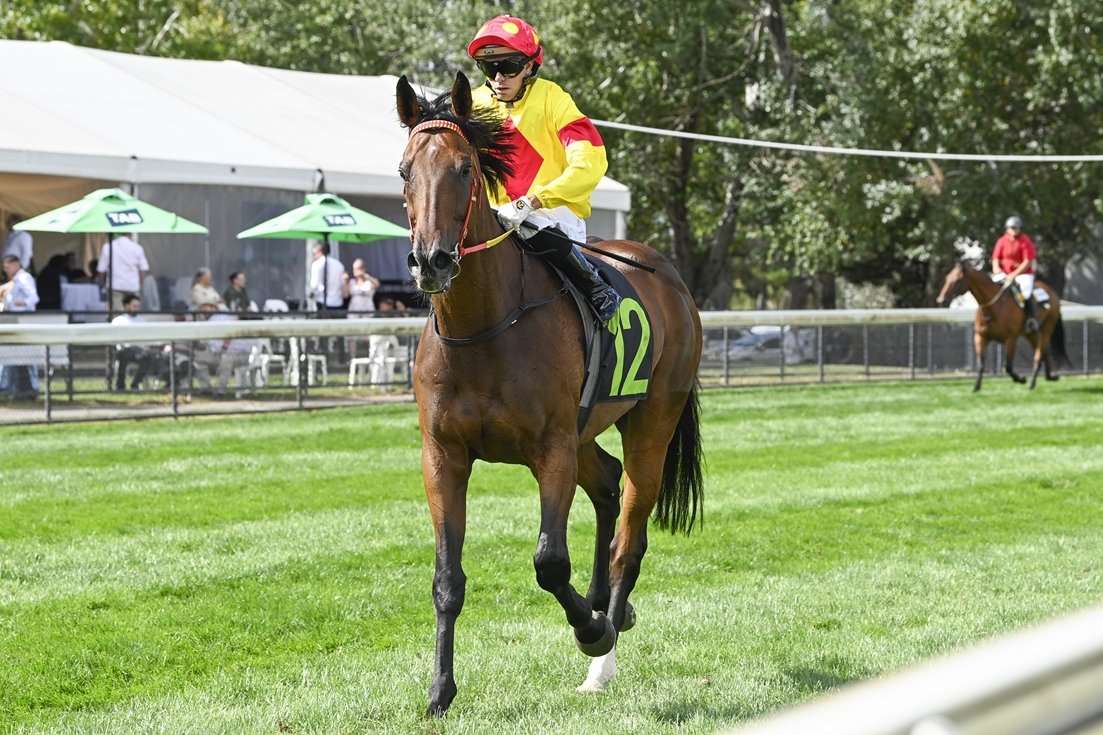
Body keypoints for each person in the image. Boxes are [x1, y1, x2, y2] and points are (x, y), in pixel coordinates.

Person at [467, 14, 620, 324]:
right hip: (495, 215)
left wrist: (532, 201)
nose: (499, 77)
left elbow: (591, 161)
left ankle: (596, 287)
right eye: (489, 67)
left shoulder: (553, 99)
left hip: (552, 212)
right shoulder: (474, 104)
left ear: (529, 66)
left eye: (508, 67)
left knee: (528, 223)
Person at [0, 255, 40, 398]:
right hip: (15, 320)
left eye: (8, 267)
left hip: (24, 320)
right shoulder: (15, 280)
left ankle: (29, 386)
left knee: (25, 356)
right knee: (11, 354)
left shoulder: (24, 278)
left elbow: (34, 298)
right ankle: (8, 386)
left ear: (16, 264)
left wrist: (19, 303)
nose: (6, 271)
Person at [192, 302, 253, 397]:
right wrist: (195, 343)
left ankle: (221, 391)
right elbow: (207, 344)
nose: (204, 309)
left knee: (226, 359)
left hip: (240, 354)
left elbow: (229, 332)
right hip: (218, 354)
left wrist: (224, 348)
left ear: (214, 307)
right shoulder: (207, 322)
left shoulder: (220, 317)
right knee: (199, 358)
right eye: (202, 307)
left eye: (207, 306)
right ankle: (206, 388)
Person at [992, 215, 1039, 332]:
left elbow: (1027, 262)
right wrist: (996, 269)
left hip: (1023, 275)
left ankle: (1030, 319)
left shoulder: (1025, 241)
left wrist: (1014, 274)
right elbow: (995, 259)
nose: (1014, 230)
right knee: (991, 288)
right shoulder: (1002, 241)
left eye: (1016, 228)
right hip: (1004, 274)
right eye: (1012, 228)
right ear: (1007, 228)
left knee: (1026, 292)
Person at [110, 294, 157, 391]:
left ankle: (135, 384)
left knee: (147, 357)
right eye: (134, 306)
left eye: (138, 306)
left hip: (139, 350)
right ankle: (120, 386)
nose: (136, 309)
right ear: (126, 306)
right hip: (124, 350)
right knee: (122, 357)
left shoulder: (142, 320)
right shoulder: (118, 320)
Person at [97, 234, 150, 312]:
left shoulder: (108, 247)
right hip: (132, 286)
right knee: (133, 313)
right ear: (130, 235)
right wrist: (140, 284)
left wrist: (102, 284)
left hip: (115, 286)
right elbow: (143, 269)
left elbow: (101, 269)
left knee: (117, 314)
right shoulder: (137, 248)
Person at [343, 258, 380, 360]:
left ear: (363, 269)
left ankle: (371, 358)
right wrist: (345, 282)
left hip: (367, 310)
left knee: (369, 334)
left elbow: (377, 285)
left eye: (358, 269)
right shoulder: (351, 282)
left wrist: (365, 276)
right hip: (354, 309)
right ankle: (352, 359)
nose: (355, 271)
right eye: (354, 269)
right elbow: (345, 295)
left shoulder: (369, 281)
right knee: (352, 335)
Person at [309, 242, 346, 311]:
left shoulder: (316, 264)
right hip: (337, 302)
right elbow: (342, 284)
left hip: (322, 302)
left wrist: (311, 293)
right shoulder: (339, 265)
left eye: (314, 253)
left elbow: (314, 284)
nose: (314, 256)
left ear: (320, 251)